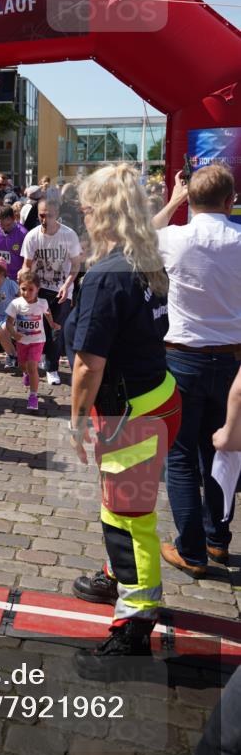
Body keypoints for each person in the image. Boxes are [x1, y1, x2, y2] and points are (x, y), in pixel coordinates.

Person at [64, 163, 182, 678]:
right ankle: (118, 576)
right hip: (160, 397)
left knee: (127, 520)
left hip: (131, 414)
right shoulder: (143, 256)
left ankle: (135, 625)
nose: (83, 217)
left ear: (104, 213)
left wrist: (74, 423)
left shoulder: (107, 275)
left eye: (87, 208)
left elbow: (88, 364)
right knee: (127, 508)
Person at [152, 164, 241, 576]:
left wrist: (174, 200)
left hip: (183, 357)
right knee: (222, 451)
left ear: (192, 198)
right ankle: (217, 540)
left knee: (181, 456)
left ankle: (192, 550)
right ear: (231, 200)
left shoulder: (174, 237)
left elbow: (139, 240)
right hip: (230, 361)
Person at [21, 198, 82, 385]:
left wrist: (67, 285)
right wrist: (24, 287)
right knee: (39, 328)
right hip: (39, 288)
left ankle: (52, 368)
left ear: (57, 215)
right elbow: (27, 265)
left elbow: (76, 264)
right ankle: (40, 358)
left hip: (61, 288)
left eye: (49, 215)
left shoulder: (68, 235)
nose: (45, 219)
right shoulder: (32, 236)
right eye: (41, 215)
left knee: (56, 329)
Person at [5, 269, 59, 410]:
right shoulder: (15, 304)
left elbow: (47, 313)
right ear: (19, 287)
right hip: (21, 341)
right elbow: (8, 323)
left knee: (33, 366)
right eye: (23, 289)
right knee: (23, 365)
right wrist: (13, 333)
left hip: (38, 340)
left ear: (37, 289)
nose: (27, 293)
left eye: (31, 289)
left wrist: (52, 324)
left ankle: (33, 396)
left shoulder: (42, 303)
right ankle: (25, 373)